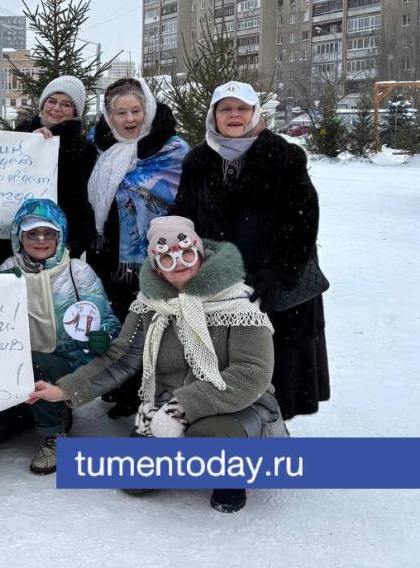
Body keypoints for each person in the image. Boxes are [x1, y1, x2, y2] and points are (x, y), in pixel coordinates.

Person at [29, 216, 287, 513]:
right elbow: (119, 358)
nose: (178, 262)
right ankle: (186, 454)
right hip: (165, 406)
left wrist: (183, 408)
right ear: (156, 267)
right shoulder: (149, 306)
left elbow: (251, 374)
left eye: (186, 253)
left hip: (235, 406)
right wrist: (64, 390)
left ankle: (230, 473)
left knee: (208, 435)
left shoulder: (239, 302)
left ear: (199, 253)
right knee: (133, 480)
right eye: (166, 258)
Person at [171, 81, 330, 419]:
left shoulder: (284, 157)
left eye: (242, 108)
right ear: (214, 115)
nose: (234, 115)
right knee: (228, 372)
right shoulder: (198, 161)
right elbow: (184, 217)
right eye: (226, 109)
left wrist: (278, 272)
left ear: (255, 113)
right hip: (220, 285)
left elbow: (302, 221)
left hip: (276, 286)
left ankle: (273, 431)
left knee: (278, 376)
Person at [83, 76, 189, 418]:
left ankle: (146, 392)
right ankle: (122, 384)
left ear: (149, 111)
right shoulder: (96, 147)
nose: (129, 119)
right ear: (108, 116)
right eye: (121, 113)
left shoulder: (173, 151)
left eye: (136, 111)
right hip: (106, 253)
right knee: (116, 320)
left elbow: (187, 202)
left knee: (150, 325)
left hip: (153, 257)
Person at [0, 199, 118, 474]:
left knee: (36, 364)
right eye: (32, 233)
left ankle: (54, 434)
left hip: (68, 362)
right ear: (19, 236)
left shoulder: (77, 272)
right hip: (17, 364)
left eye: (48, 233)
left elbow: (107, 320)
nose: (41, 240)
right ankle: (46, 409)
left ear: (59, 236)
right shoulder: (6, 271)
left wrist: (104, 336)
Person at [0, 76, 94, 272]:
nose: (56, 108)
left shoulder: (83, 149)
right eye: (52, 101)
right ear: (43, 103)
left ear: (75, 111)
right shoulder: (18, 136)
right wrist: (28, 145)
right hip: (9, 246)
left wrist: (71, 245)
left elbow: (84, 204)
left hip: (57, 249)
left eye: (66, 104)